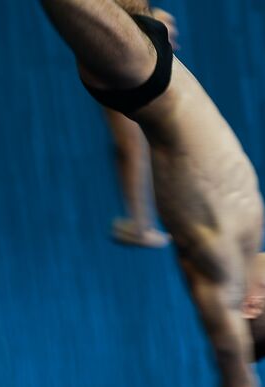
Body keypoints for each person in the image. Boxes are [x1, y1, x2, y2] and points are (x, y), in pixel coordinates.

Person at [40, 0, 265, 387]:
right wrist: (138, 219)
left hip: (141, 74)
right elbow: (136, 143)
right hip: (150, 55)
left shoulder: (224, 282)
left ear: (252, 304)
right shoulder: (248, 235)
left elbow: (238, 386)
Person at [105, 8, 176, 249]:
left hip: (117, 42)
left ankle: (141, 223)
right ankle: (141, 223)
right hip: (116, 44)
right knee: (132, 143)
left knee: (132, 143)